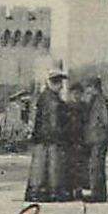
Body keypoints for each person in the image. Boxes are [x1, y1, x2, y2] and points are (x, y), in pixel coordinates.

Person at [25, 71, 68, 201]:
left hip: (42, 137)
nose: (61, 86)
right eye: (59, 83)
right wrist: (60, 135)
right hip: (50, 138)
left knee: (41, 166)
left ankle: (37, 192)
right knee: (52, 166)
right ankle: (52, 192)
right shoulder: (53, 101)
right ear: (53, 83)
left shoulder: (44, 97)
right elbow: (54, 122)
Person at [82, 77, 108, 203]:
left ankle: (98, 194)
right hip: (97, 138)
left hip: (99, 138)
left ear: (93, 87)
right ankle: (98, 192)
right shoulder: (97, 100)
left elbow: (106, 120)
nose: (87, 90)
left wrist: (100, 130)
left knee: (96, 167)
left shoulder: (100, 100)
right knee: (96, 167)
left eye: (88, 87)